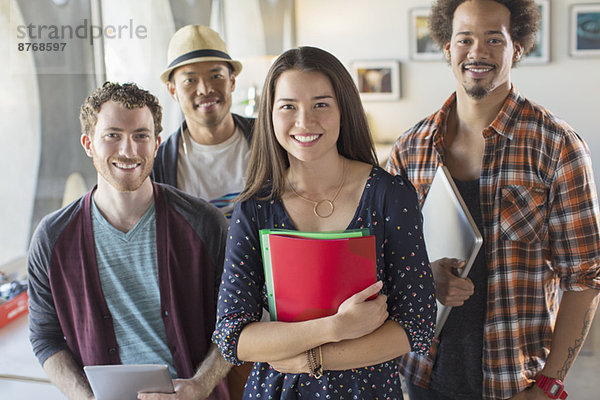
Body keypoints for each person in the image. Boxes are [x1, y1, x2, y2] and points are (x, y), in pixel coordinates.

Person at [386, 1, 600, 399]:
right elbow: (386, 256)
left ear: (517, 47)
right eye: (464, 38)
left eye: (493, 39)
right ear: (447, 47)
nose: (477, 52)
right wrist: (424, 277)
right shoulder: (409, 148)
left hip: (516, 382)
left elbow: (584, 277)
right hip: (420, 374)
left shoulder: (557, 146)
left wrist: (549, 385)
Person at [211, 46, 436, 399]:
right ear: (269, 115)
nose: (304, 122)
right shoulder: (255, 208)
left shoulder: (390, 195)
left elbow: (417, 326)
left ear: (343, 110)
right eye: (288, 106)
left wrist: (313, 359)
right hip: (275, 391)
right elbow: (232, 338)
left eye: (321, 104)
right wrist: (337, 326)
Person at [27, 82, 231, 400]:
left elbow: (234, 323)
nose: (128, 150)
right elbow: (45, 337)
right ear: (88, 143)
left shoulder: (205, 224)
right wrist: (87, 397)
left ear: (157, 143)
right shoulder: (52, 238)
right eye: (112, 135)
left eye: (141, 135)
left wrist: (200, 385)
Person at [153, 25, 255, 219]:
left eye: (216, 76)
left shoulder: (268, 138)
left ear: (232, 81)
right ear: (173, 91)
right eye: (190, 81)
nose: (205, 89)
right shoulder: (160, 165)